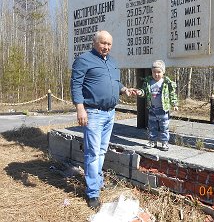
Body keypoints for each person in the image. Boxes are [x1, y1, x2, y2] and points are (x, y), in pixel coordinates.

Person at [70, 30, 135, 210]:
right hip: (93, 113)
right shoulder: (84, 60)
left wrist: (124, 90)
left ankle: (97, 182)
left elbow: (114, 82)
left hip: (110, 113)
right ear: (94, 42)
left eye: (109, 44)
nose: (106, 47)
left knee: (101, 151)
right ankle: (92, 193)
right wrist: (80, 108)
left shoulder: (112, 62)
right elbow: (75, 84)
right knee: (92, 154)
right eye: (103, 43)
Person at [136, 60, 178, 151]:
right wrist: (140, 92)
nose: (156, 74)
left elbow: (172, 94)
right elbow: (144, 92)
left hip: (163, 109)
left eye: (159, 72)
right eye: (154, 72)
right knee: (152, 126)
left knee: (164, 126)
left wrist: (174, 103)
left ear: (163, 72)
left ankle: (164, 142)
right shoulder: (148, 82)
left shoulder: (166, 83)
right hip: (152, 109)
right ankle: (152, 141)